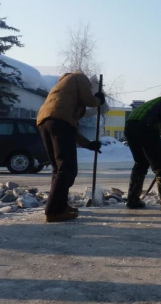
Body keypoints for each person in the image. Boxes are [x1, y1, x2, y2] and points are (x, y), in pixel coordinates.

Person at [37, 71, 105, 222]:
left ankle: (60, 206)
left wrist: (88, 144)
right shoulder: (78, 77)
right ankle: (54, 211)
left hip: (44, 123)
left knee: (58, 168)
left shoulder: (62, 95)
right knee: (66, 168)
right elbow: (90, 100)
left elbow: (69, 127)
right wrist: (98, 100)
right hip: (58, 124)